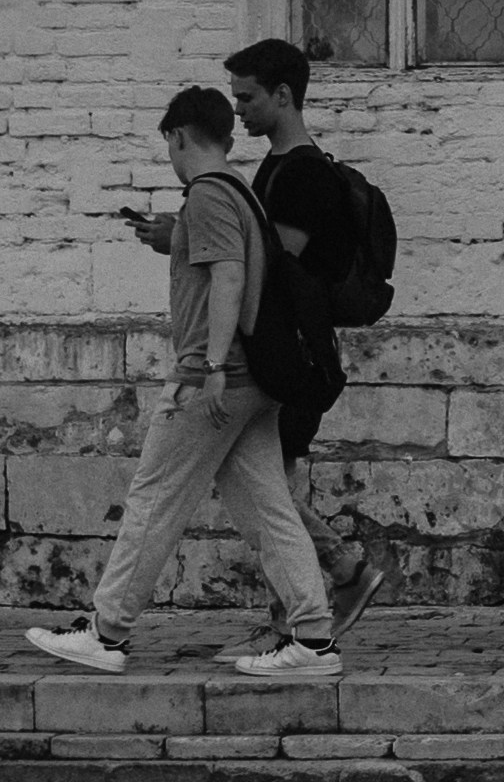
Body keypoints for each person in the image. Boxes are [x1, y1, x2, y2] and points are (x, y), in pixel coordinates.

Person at [26, 87, 342, 681]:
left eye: (168, 144)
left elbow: (227, 278)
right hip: (253, 382)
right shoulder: (240, 191)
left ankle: (107, 631)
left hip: (216, 381)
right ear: (225, 133)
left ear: (177, 137)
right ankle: (315, 641)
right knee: (269, 509)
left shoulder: (208, 196)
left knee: (154, 497)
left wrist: (208, 367)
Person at [222, 35, 394, 634]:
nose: (237, 109)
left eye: (246, 97)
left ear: (284, 95)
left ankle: (335, 581)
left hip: (296, 358)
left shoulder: (303, 178)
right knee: (271, 489)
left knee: (271, 493)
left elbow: (275, 272)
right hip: (286, 352)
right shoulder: (278, 167)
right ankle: (299, 611)